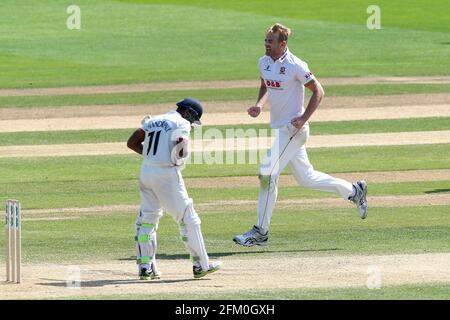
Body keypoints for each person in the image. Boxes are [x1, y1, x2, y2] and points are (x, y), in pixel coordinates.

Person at [233, 23, 368, 247]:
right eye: (265, 40)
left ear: (282, 44)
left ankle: (260, 231)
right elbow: (266, 83)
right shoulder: (263, 62)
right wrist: (259, 105)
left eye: (270, 41)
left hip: (294, 130)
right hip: (282, 131)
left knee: (267, 173)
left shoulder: (296, 65)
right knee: (307, 178)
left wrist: (304, 118)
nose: (266, 44)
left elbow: (319, 91)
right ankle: (354, 191)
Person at [127, 97, 222, 280]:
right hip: (166, 174)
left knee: (147, 219)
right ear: (187, 113)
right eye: (193, 120)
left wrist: (151, 157)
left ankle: (146, 268)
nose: (192, 125)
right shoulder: (181, 123)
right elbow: (182, 146)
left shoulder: (152, 120)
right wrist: (178, 161)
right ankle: (201, 265)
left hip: (146, 172)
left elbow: (131, 142)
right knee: (188, 217)